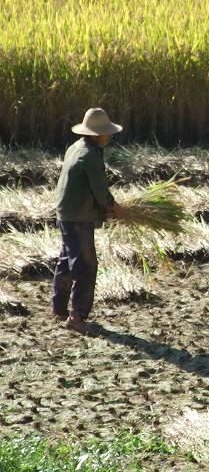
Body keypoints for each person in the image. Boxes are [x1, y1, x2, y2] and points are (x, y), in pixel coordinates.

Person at [52, 107, 123, 334]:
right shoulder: (89, 156)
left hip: (66, 212)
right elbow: (101, 192)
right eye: (106, 132)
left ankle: (58, 309)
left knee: (67, 260)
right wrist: (114, 208)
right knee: (86, 266)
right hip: (78, 215)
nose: (109, 136)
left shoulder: (76, 148)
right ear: (96, 134)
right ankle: (77, 317)